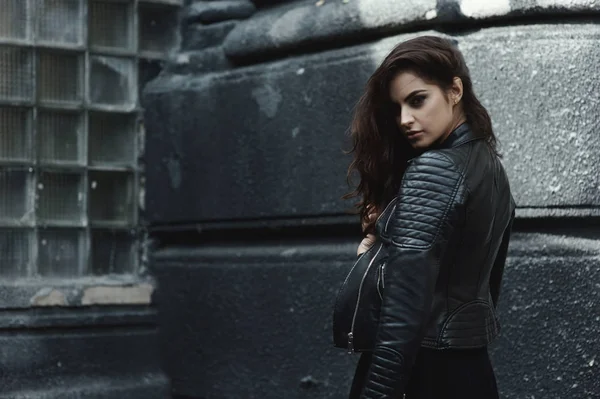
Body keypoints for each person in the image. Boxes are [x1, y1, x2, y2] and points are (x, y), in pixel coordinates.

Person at [343, 36, 516, 399]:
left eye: (418, 100)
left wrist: (376, 394)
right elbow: (487, 287)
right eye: (397, 107)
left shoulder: (434, 169)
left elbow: (402, 313)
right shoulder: (491, 169)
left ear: (455, 91)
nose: (405, 119)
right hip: (472, 370)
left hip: (423, 372)